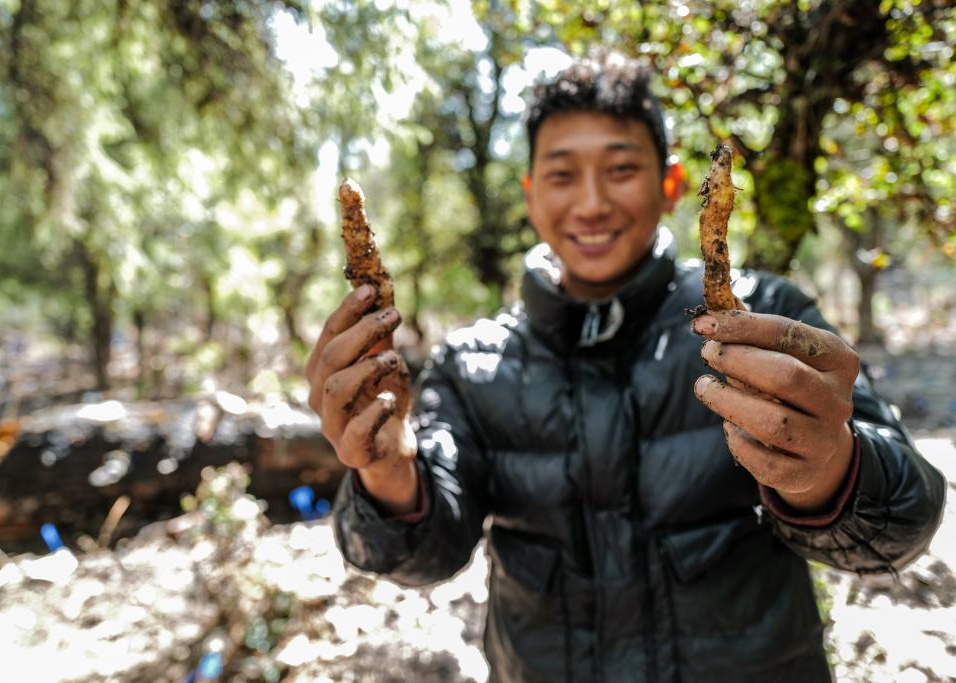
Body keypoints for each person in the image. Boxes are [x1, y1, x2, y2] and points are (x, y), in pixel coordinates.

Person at [305, 51, 946, 682]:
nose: (590, 203)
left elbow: (904, 522)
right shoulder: (473, 364)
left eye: (619, 169)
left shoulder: (766, 319)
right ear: (530, 195)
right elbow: (426, 552)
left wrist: (830, 468)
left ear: (671, 185)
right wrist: (387, 471)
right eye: (561, 174)